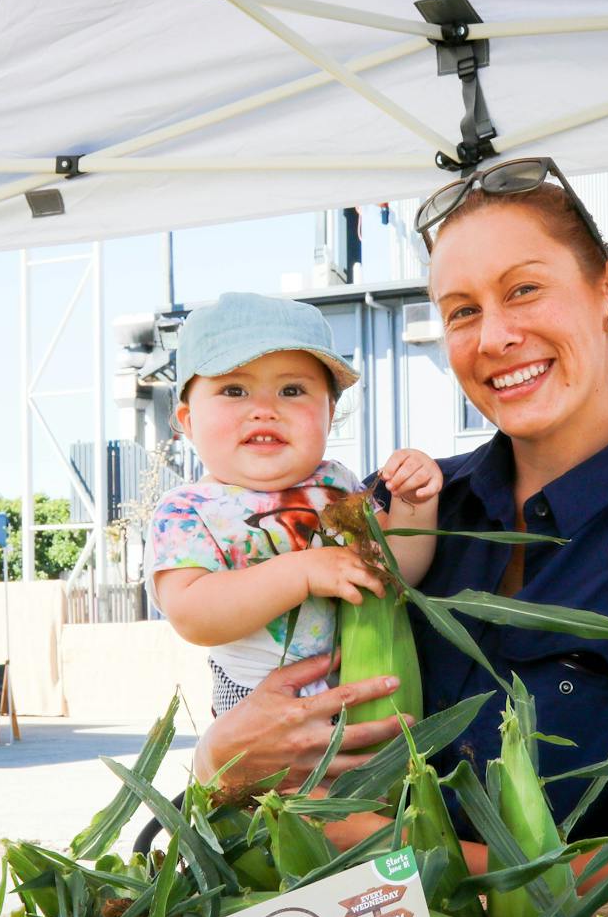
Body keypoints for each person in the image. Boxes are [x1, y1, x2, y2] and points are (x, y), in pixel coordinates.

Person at [198, 160, 608, 875]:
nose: (494, 337)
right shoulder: (385, 512)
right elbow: (241, 743)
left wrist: (385, 850)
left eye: (524, 290)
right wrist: (218, 760)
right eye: (462, 310)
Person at [149, 292, 442, 716]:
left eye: (292, 390)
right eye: (234, 390)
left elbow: (396, 572)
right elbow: (194, 615)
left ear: (329, 413)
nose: (265, 410)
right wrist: (303, 573)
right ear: (189, 422)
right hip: (253, 701)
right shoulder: (187, 511)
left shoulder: (337, 484)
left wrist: (414, 504)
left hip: (362, 685)